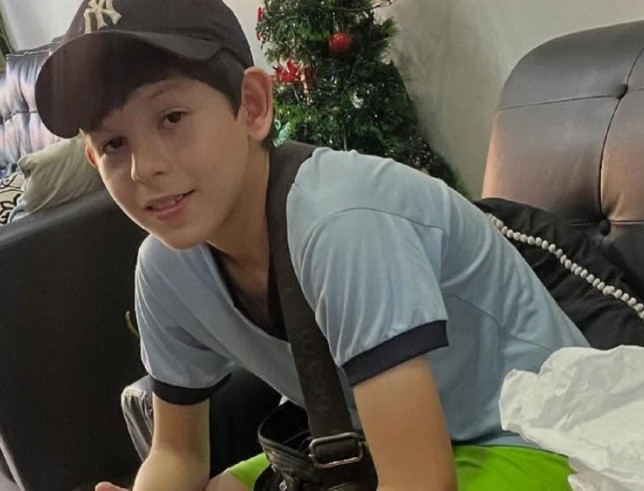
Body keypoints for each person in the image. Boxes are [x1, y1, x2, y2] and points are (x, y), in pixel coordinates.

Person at [34, 0, 589, 489]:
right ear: (92, 159)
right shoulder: (165, 269)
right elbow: (178, 454)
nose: (144, 167)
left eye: (171, 118)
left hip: (536, 437)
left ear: (253, 106)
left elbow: (420, 481)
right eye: (114, 143)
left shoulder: (340, 222)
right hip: (368, 437)